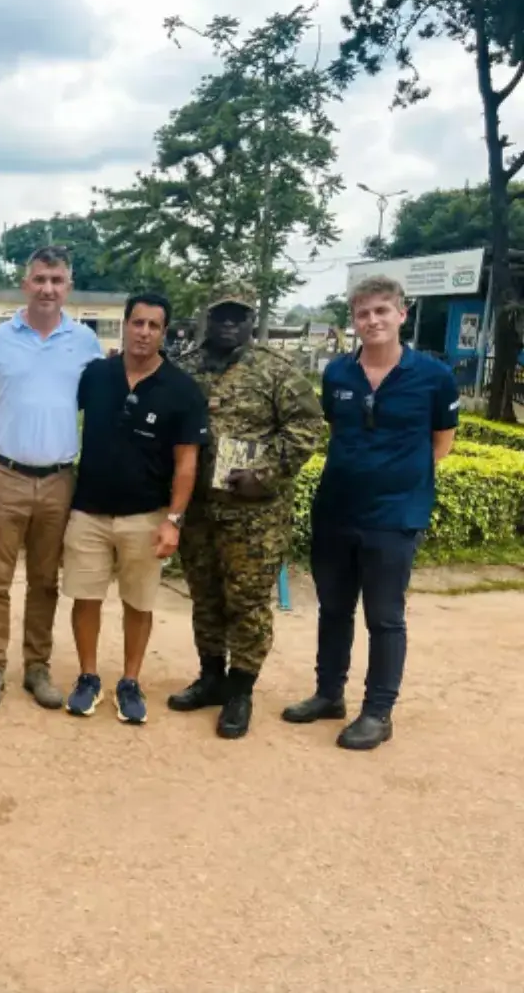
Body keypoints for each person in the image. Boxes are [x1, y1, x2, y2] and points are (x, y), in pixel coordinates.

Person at [283, 275, 459, 750]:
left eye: (382, 310)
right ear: (354, 321)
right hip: (336, 508)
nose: (373, 320)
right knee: (334, 609)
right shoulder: (338, 374)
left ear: (402, 314)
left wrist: (397, 480)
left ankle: (378, 712)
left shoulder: (434, 376)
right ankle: (327, 694)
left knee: (384, 616)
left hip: (395, 516)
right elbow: (334, 429)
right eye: (363, 313)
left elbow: (441, 442)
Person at [171, 284, 323, 739]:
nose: (230, 323)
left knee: (248, 602)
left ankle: (241, 690)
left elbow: (307, 425)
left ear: (252, 320)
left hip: (255, 515)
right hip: (199, 510)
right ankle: (211, 676)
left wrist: (267, 471)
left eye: (239, 316)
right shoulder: (185, 369)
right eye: (222, 315)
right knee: (205, 595)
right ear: (207, 318)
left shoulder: (276, 371)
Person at [63, 292, 208, 724]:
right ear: (124, 325)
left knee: (138, 602)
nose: (143, 332)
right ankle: (88, 676)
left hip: (145, 515)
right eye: (137, 323)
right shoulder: (95, 376)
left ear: (164, 332)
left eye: (153, 326)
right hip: (88, 510)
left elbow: (187, 463)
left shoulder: (181, 389)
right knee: (85, 597)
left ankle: (130, 680)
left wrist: (173, 520)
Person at [0, 245, 103, 709]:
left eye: (57, 280)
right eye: (40, 279)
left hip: (59, 480)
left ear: (68, 286)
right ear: (25, 283)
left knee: (46, 580)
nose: (48, 288)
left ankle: (37, 667)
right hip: (6, 475)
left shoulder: (85, 343)